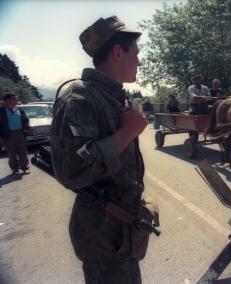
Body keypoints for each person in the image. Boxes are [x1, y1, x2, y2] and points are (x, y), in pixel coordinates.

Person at [51, 16, 158, 284]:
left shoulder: (112, 94)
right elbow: (71, 172)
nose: (140, 62)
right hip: (103, 234)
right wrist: (127, 132)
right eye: (137, 54)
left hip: (119, 232)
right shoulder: (79, 97)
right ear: (118, 52)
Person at [0, 93, 30, 174]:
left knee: (23, 152)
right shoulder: (2, 110)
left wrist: (26, 128)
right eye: (14, 99)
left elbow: (25, 119)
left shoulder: (19, 109)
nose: (17, 100)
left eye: (16, 98)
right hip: (9, 135)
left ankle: (24, 167)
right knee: (11, 153)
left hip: (21, 133)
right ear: (7, 100)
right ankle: (15, 169)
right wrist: (1, 137)